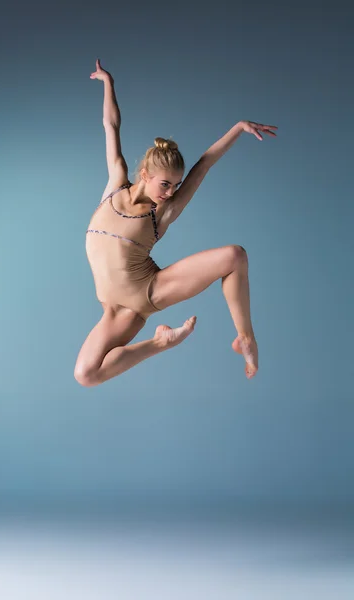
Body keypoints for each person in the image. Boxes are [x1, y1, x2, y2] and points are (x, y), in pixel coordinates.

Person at [74, 59, 277, 388]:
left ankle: (246, 338)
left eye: (176, 185)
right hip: (114, 309)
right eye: (165, 184)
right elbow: (111, 126)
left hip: (146, 292)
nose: (170, 193)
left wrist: (238, 128)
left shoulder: (160, 214)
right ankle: (160, 342)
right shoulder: (114, 185)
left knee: (235, 256)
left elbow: (205, 163)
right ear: (145, 175)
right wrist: (108, 83)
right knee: (85, 374)